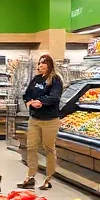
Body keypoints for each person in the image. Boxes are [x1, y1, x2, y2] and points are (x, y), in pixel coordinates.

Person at [21, 54, 64, 190]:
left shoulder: (56, 80)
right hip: (34, 119)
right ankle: (30, 177)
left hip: (50, 120)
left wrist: (40, 102)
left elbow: (54, 97)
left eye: (43, 63)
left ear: (49, 64)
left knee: (49, 148)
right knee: (31, 147)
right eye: (39, 63)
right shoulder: (36, 79)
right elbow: (27, 94)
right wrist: (29, 102)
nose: (40, 66)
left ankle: (48, 178)